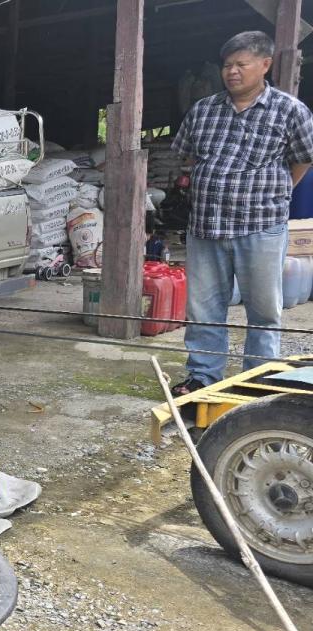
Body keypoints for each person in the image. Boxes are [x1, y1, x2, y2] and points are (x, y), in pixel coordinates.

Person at [170, 30, 313, 395]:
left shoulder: (289, 110)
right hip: (206, 225)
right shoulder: (203, 110)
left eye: (241, 64)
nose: (232, 71)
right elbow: (186, 155)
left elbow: (303, 160)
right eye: (227, 65)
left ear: (264, 65)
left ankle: (259, 381)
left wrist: (277, 192)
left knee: (264, 311)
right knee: (204, 309)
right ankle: (203, 376)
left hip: (260, 226)